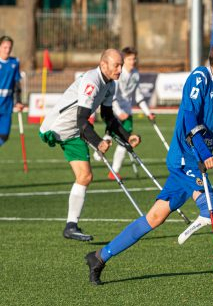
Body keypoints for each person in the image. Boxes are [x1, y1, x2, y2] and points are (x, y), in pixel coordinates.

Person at [85, 41, 213, 285]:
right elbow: (190, 117)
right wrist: (204, 153)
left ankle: (99, 256)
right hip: (184, 158)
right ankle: (186, 232)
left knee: (154, 218)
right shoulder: (199, 78)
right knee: (211, 210)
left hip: (197, 160)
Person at [39, 49, 141, 242]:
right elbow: (82, 119)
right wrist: (98, 142)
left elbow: (108, 117)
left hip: (75, 130)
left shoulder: (111, 84)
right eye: (116, 65)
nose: (121, 69)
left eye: (121, 65)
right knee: (85, 174)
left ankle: (71, 227)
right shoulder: (91, 82)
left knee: (85, 176)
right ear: (103, 65)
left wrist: (128, 136)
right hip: (57, 129)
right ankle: (71, 225)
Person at [93, 47, 155, 180]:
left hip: (127, 112)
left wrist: (148, 112)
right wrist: (119, 112)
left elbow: (138, 96)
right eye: (129, 59)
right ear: (123, 60)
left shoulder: (136, 74)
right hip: (114, 110)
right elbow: (112, 96)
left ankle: (114, 172)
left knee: (126, 142)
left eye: (134, 58)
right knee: (110, 135)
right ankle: (100, 148)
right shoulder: (118, 74)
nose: (133, 61)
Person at [0, 35, 24, 146]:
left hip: (6, 105)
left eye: (9, 47)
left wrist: (18, 101)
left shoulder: (14, 62)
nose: (7, 50)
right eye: (5, 47)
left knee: (4, 136)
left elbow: (16, 84)